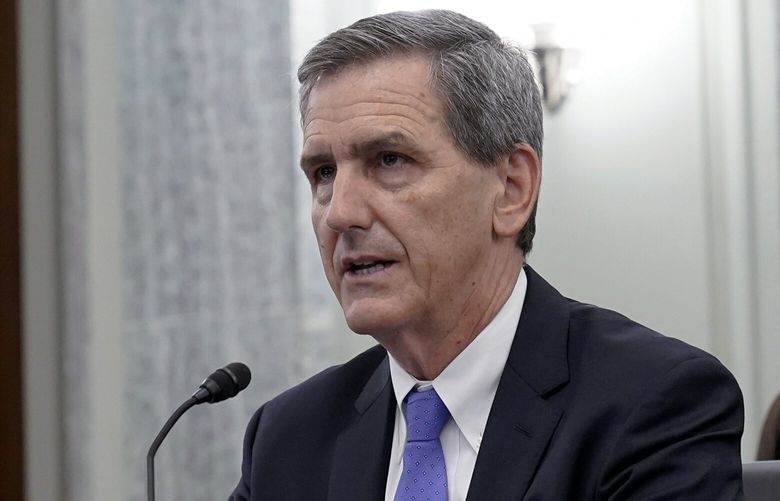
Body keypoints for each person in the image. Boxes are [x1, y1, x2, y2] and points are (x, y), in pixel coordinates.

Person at [230, 9, 744, 501]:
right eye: (323, 173)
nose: (341, 213)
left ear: (512, 189)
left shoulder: (652, 404)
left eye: (389, 160)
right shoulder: (288, 438)